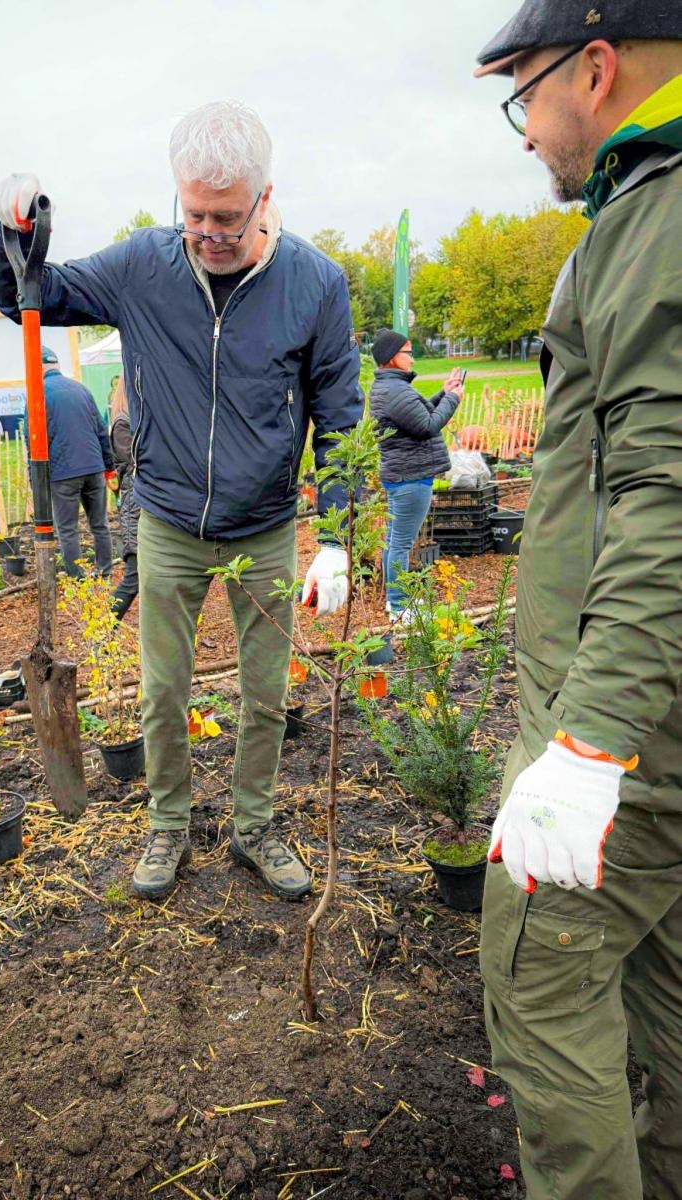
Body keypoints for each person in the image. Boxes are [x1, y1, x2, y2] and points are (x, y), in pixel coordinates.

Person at [0, 100, 363, 902]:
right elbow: (33, 296)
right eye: (194, 214)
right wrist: (12, 232)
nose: (209, 233)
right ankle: (168, 824)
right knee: (162, 692)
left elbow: (340, 415)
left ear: (264, 198)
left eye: (227, 217)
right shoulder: (143, 267)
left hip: (264, 527)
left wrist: (337, 534)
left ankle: (254, 826)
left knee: (267, 693)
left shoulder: (315, 284)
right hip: (167, 520)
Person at [474, 5, 682, 1198]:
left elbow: (667, 492)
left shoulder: (658, 222)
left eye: (524, 93)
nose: (522, 130)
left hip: (635, 725)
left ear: (595, 70)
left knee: (540, 975)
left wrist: (591, 741)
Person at [368, 329, 463, 617]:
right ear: (391, 357)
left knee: (394, 540)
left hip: (402, 475)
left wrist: (444, 393)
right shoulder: (395, 391)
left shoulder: (391, 388)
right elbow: (428, 426)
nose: (412, 358)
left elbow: (418, 415)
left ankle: (394, 601)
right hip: (410, 477)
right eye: (407, 353)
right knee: (400, 543)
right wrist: (453, 399)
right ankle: (399, 607)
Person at [40, 346, 115, 578]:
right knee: (100, 524)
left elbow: (34, 439)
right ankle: (105, 573)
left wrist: (37, 478)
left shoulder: (39, 393)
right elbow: (101, 430)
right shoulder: (82, 389)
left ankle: (77, 579)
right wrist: (109, 466)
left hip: (64, 474)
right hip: (93, 467)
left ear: (39, 367)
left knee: (68, 529)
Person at [107, 375, 140, 620]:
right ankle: (102, 630)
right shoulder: (123, 423)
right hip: (135, 507)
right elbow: (134, 462)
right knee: (133, 576)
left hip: (139, 504)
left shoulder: (132, 420)